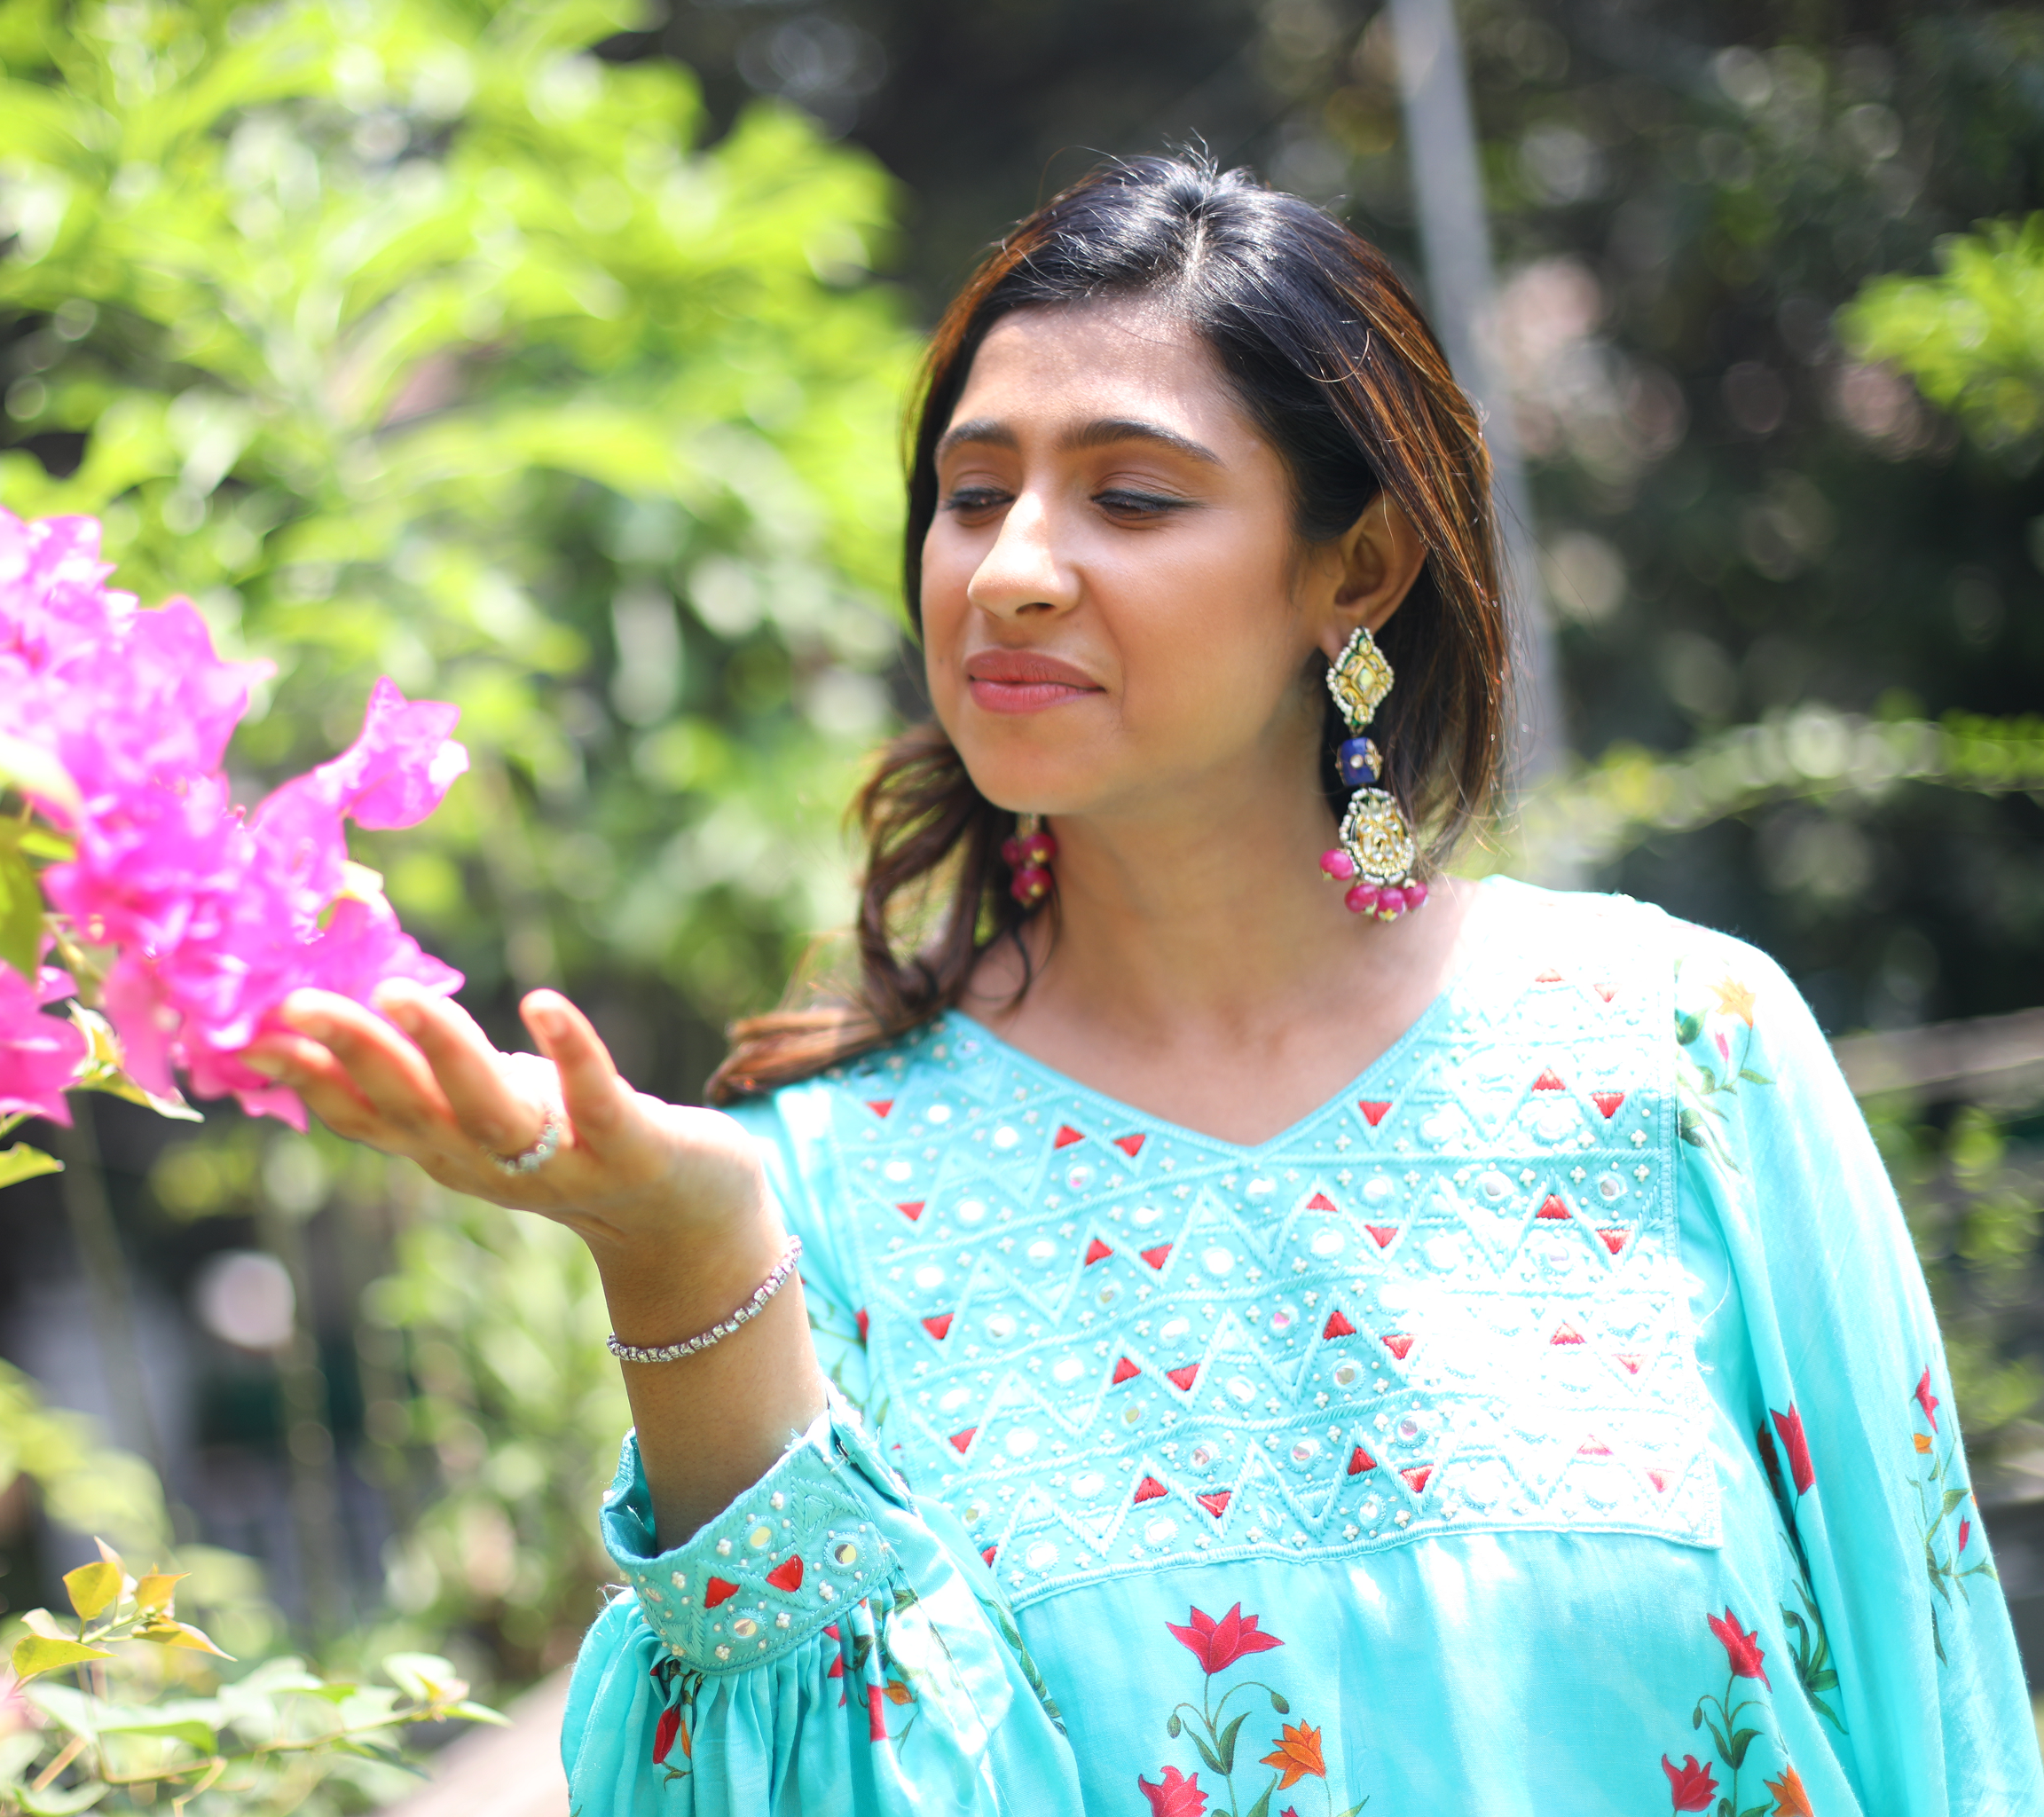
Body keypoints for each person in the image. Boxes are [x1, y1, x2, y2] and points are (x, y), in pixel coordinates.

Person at [242, 156, 2043, 1813]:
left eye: (1130, 494)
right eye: (970, 495)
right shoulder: (820, 1194)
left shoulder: (1684, 1052)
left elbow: (1940, 1709)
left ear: (1356, 564)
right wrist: (687, 1263)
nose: (1011, 569)